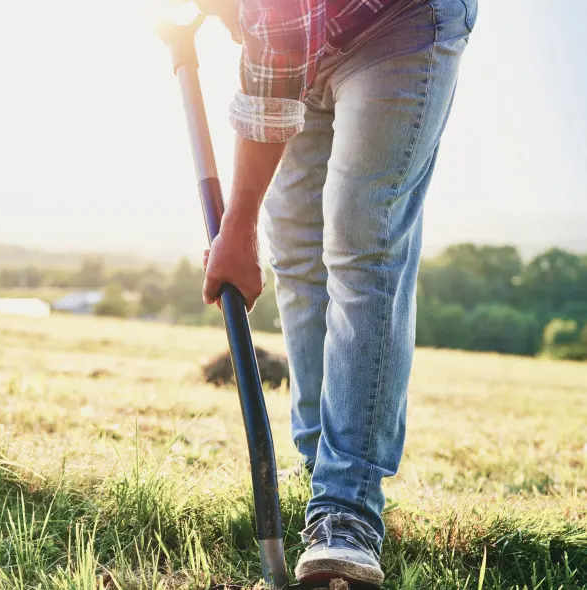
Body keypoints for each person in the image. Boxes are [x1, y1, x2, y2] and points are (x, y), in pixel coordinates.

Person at [194, 0, 477, 585]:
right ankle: (318, 471)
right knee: (296, 248)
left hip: (400, 22)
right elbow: (272, 46)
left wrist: (237, 223)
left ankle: (346, 510)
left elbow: (277, 44)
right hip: (308, 36)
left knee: (361, 243)